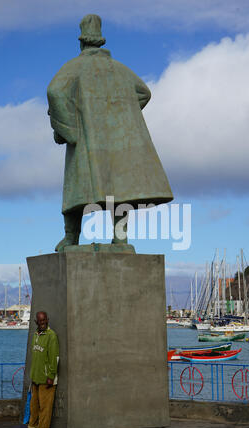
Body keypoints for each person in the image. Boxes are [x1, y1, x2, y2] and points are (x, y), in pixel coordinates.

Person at [47, 14, 173, 252]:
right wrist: (118, 114)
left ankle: (71, 238)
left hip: (85, 140)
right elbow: (144, 93)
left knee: (75, 192)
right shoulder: (120, 69)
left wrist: (69, 129)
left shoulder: (74, 67)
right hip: (117, 142)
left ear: (82, 42)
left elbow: (54, 92)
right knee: (119, 191)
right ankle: (120, 238)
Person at [16, 311, 59, 428]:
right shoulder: (36, 334)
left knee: (45, 407)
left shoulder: (51, 336)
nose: (43, 323)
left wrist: (51, 375)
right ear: (36, 322)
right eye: (40, 321)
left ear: (47, 319)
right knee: (33, 405)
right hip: (35, 377)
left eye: (44, 320)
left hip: (47, 378)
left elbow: (54, 357)